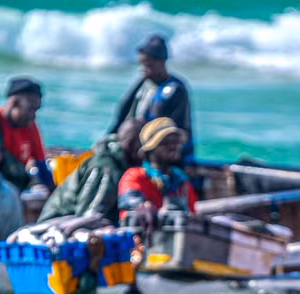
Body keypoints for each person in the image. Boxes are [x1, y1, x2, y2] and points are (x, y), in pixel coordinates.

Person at [37, 120, 144, 224]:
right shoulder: (106, 169)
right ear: (132, 146)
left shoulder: (121, 164)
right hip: (54, 228)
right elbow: (88, 216)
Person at [109, 35, 194, 163]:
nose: (144, 70)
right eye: (142, 65)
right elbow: (123, 113)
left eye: (148, 65)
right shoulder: (144, 84)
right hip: (136, 147)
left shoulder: (175, 90)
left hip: (162, 152)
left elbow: (177, 130)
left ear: (161, 62)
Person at [0, 76, 54, 191]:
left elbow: (41, 166)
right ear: (14, 103)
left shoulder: (30, 126)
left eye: (36, 111)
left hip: (12, 188)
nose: (33, 115)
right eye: (30, 109)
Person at [117, 117, 196, 231]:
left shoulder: (181, 181)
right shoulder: (135, 176)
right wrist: (141, 206)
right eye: (165, 143)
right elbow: (128, 200)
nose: (173, 147)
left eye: (176, 142)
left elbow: (192, 214)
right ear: (151, 149)